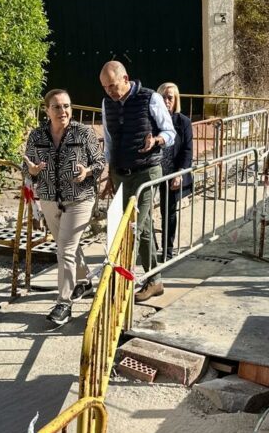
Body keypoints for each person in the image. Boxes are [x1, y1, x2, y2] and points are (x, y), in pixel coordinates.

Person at [24, 89, 106, 326]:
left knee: (66, 249)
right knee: (65, 245)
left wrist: (87, 171)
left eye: (67, 106)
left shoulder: (84, 132)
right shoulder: (37, 135)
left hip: (80, 198)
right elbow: (26, 166)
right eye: (57, 107)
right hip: (50, 197)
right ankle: (84, 282)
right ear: (47, 110)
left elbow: (100, 162)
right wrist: (31, 171)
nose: (63, 111)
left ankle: (64, 303)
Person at [99, 61, 176, 302]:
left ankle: (122, 279)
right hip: (121, 172)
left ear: (125, 78)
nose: (110, 91)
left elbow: (170, 133)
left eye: (113, 85)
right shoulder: (107, 104)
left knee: (135, 226)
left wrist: (157, 141)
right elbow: (109, 140)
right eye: (105, 87)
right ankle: (154, 280)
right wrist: (108, 173)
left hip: (147, 170)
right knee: (140, 229)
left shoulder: (150, 98)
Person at [157, 82, 194, 260]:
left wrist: (180, 172)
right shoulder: (151, 119)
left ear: (175, 100)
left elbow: (187, 150)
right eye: (162, 97)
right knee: (144, 212)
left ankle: (167, 250)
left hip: (172, 173)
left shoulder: (183, 122)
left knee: (168, 212)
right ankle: (150, 247)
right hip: (153, 172)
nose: (166, 101)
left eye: (170, 97)